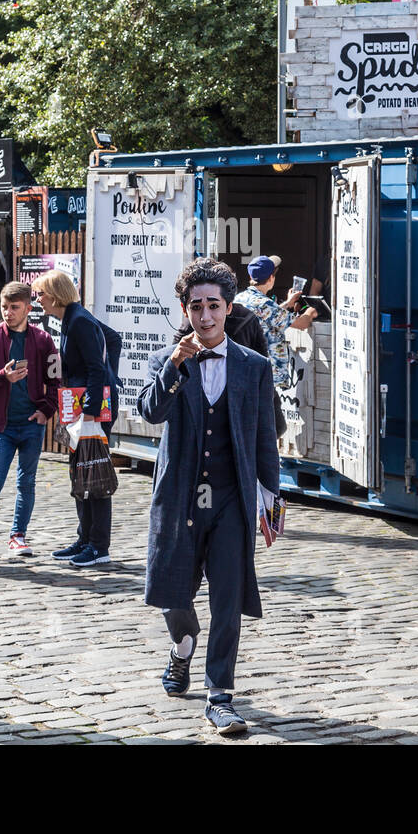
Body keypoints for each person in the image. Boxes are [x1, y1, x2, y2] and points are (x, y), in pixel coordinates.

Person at [138, 257, 280, 736]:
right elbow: (150, 412)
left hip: (231, 498)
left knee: (227, 598)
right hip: (179, 494)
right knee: (170, 588)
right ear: (185, 308)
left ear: (228, 307)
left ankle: (220, 694)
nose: (204, 316)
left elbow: (265, 438)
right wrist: (176, 365)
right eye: (196, 306)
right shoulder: (168, 358)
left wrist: (271, 502)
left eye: (213, 306)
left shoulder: (254, 367)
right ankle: (182, 646)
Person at [0, 281, 61, 560]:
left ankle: (18, 536)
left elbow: (56, 379)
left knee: (26, 482)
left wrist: (47, 410)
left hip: (32, 424)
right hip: (1, 426)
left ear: (28, 309)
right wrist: (1, 376)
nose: (8, 312)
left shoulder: (43, 341)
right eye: (4, 307)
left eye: (14, 307)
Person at [34, 268, 119, 568]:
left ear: (55, 294)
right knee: (80, 472)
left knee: (93, 472)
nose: (38, 299)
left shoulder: (79, 321)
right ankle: (84, 538)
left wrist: (94, 407)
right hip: (80, 407)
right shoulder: (73, 318)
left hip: (90, 411)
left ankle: (99, 546)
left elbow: (97, 367)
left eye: (41, 294)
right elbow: (114, 338)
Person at [172, 302, 286, 439]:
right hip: (239, 396)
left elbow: (176, 350)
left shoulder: (197, 315)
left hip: (210, 400)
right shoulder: (247, 315)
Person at [234, 254, 316, 391]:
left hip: (245, 370)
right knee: (270, 411)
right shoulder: (265, 304)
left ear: (251, 277)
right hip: (265, 376)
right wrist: (310, 311)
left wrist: (288, 303)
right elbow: (302, 324)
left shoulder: (240, 298)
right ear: (271, 278)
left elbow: (265, 314)